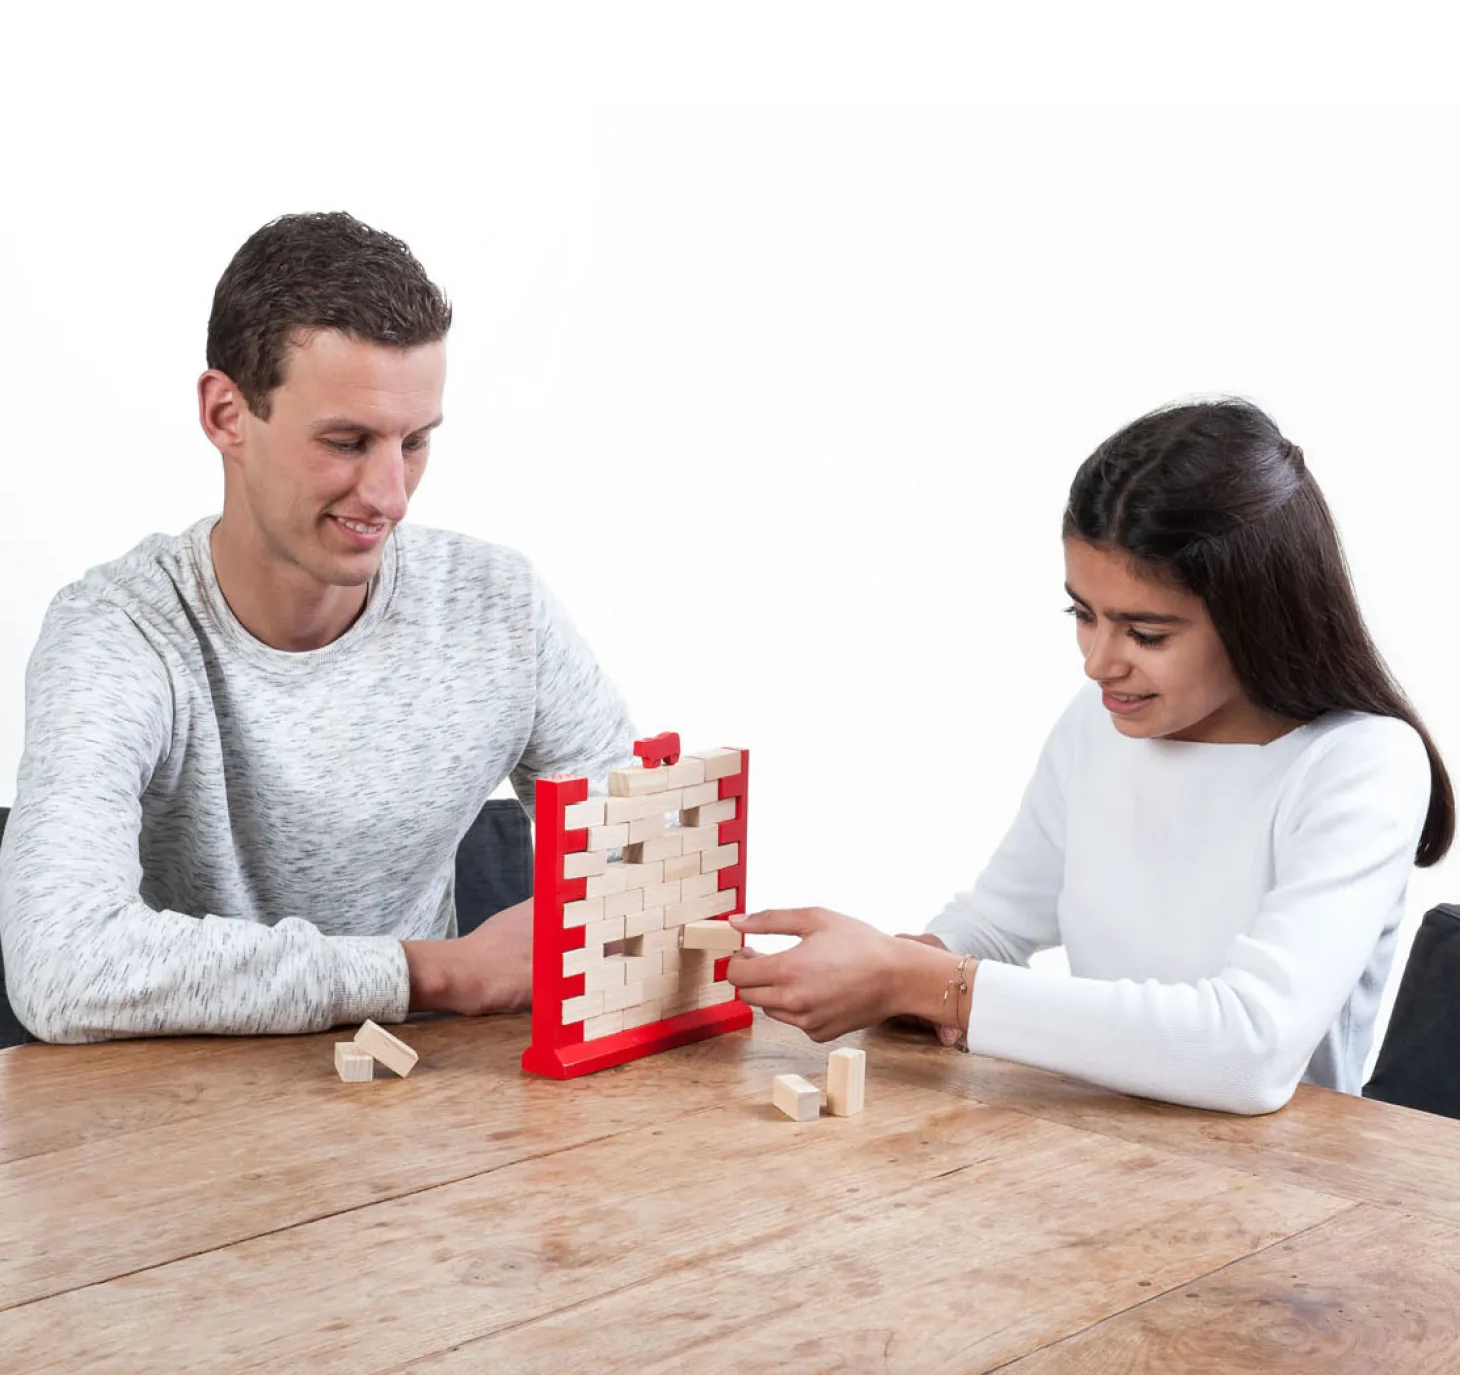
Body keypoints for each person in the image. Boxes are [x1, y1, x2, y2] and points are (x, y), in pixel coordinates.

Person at [0, 212, 635, 1043]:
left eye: (415, 442)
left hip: (422, 1093)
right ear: (227, 414)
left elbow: (637, 865)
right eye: (347, 442)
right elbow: (62, 967)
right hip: (179, 1100)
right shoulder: (119, 634)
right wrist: (433, 972)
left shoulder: (500, 608)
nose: (391, 496)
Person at [728, 397, 1453, 1115]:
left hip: (1282, 1176)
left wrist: (925, 982)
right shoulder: (1102, 722)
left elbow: (1249, 1053)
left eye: (1147, 634)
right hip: (1097, 1146)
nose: (1098, 663)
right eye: (1083, 614)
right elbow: (996, 926)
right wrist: (887, 968)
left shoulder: (1362, 763)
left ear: (1257, 620)